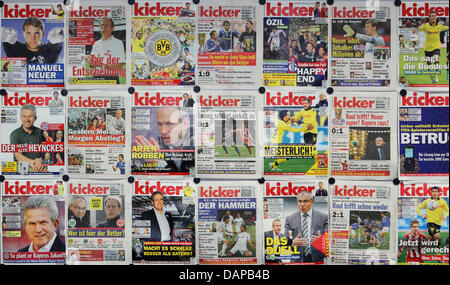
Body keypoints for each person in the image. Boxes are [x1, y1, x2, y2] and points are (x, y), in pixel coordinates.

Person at [133, 107, 194, 172]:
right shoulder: (159, 145)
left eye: (169, 124)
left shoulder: (198, 144)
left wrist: (158, 162)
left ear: (185, 123)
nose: (162, 131)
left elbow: (183, 179)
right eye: (159, 124)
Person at [284, 191, 328, 262]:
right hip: (297, 260)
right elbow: (284, 242)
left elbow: (330, 240)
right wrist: (292, 243)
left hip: (318, 259)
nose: (302, 204)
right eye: (300, 201)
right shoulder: (289, 219)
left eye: (305, 201)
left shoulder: (324, 217)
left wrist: (322, 242)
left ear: (312, 202)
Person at [87, 17, 125, 83]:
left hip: (111, 77)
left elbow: (119, 67)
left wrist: (101, 65)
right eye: (102, 25)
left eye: (106, 25)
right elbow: (91, 65)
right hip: (96, 76)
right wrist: (90, 61)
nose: (103, 26)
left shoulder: (118, 43)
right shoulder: (96, 43)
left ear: (112, 28)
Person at [10, 104, 46, 172]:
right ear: (20, 118)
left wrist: (41, 160)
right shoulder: (15, 134)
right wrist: (35, 164)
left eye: (30, 116)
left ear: (35, 118)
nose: (27, 120)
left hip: (40, 167)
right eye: (24, 116)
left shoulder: (42, 133)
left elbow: (47, 153)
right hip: (22, 169)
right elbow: (18, 156)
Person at [418, 11, 449, 84]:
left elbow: (447, 27)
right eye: (431, 16)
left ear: (436, 17)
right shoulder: (426, 26)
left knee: (436, 60)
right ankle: (432, 77)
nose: (433, 17)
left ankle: (435, 75)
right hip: (427, 48)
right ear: (429, 18)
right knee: (429, 65)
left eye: (434, 16)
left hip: (436, 47)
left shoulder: (440, 26)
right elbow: (418, 28)